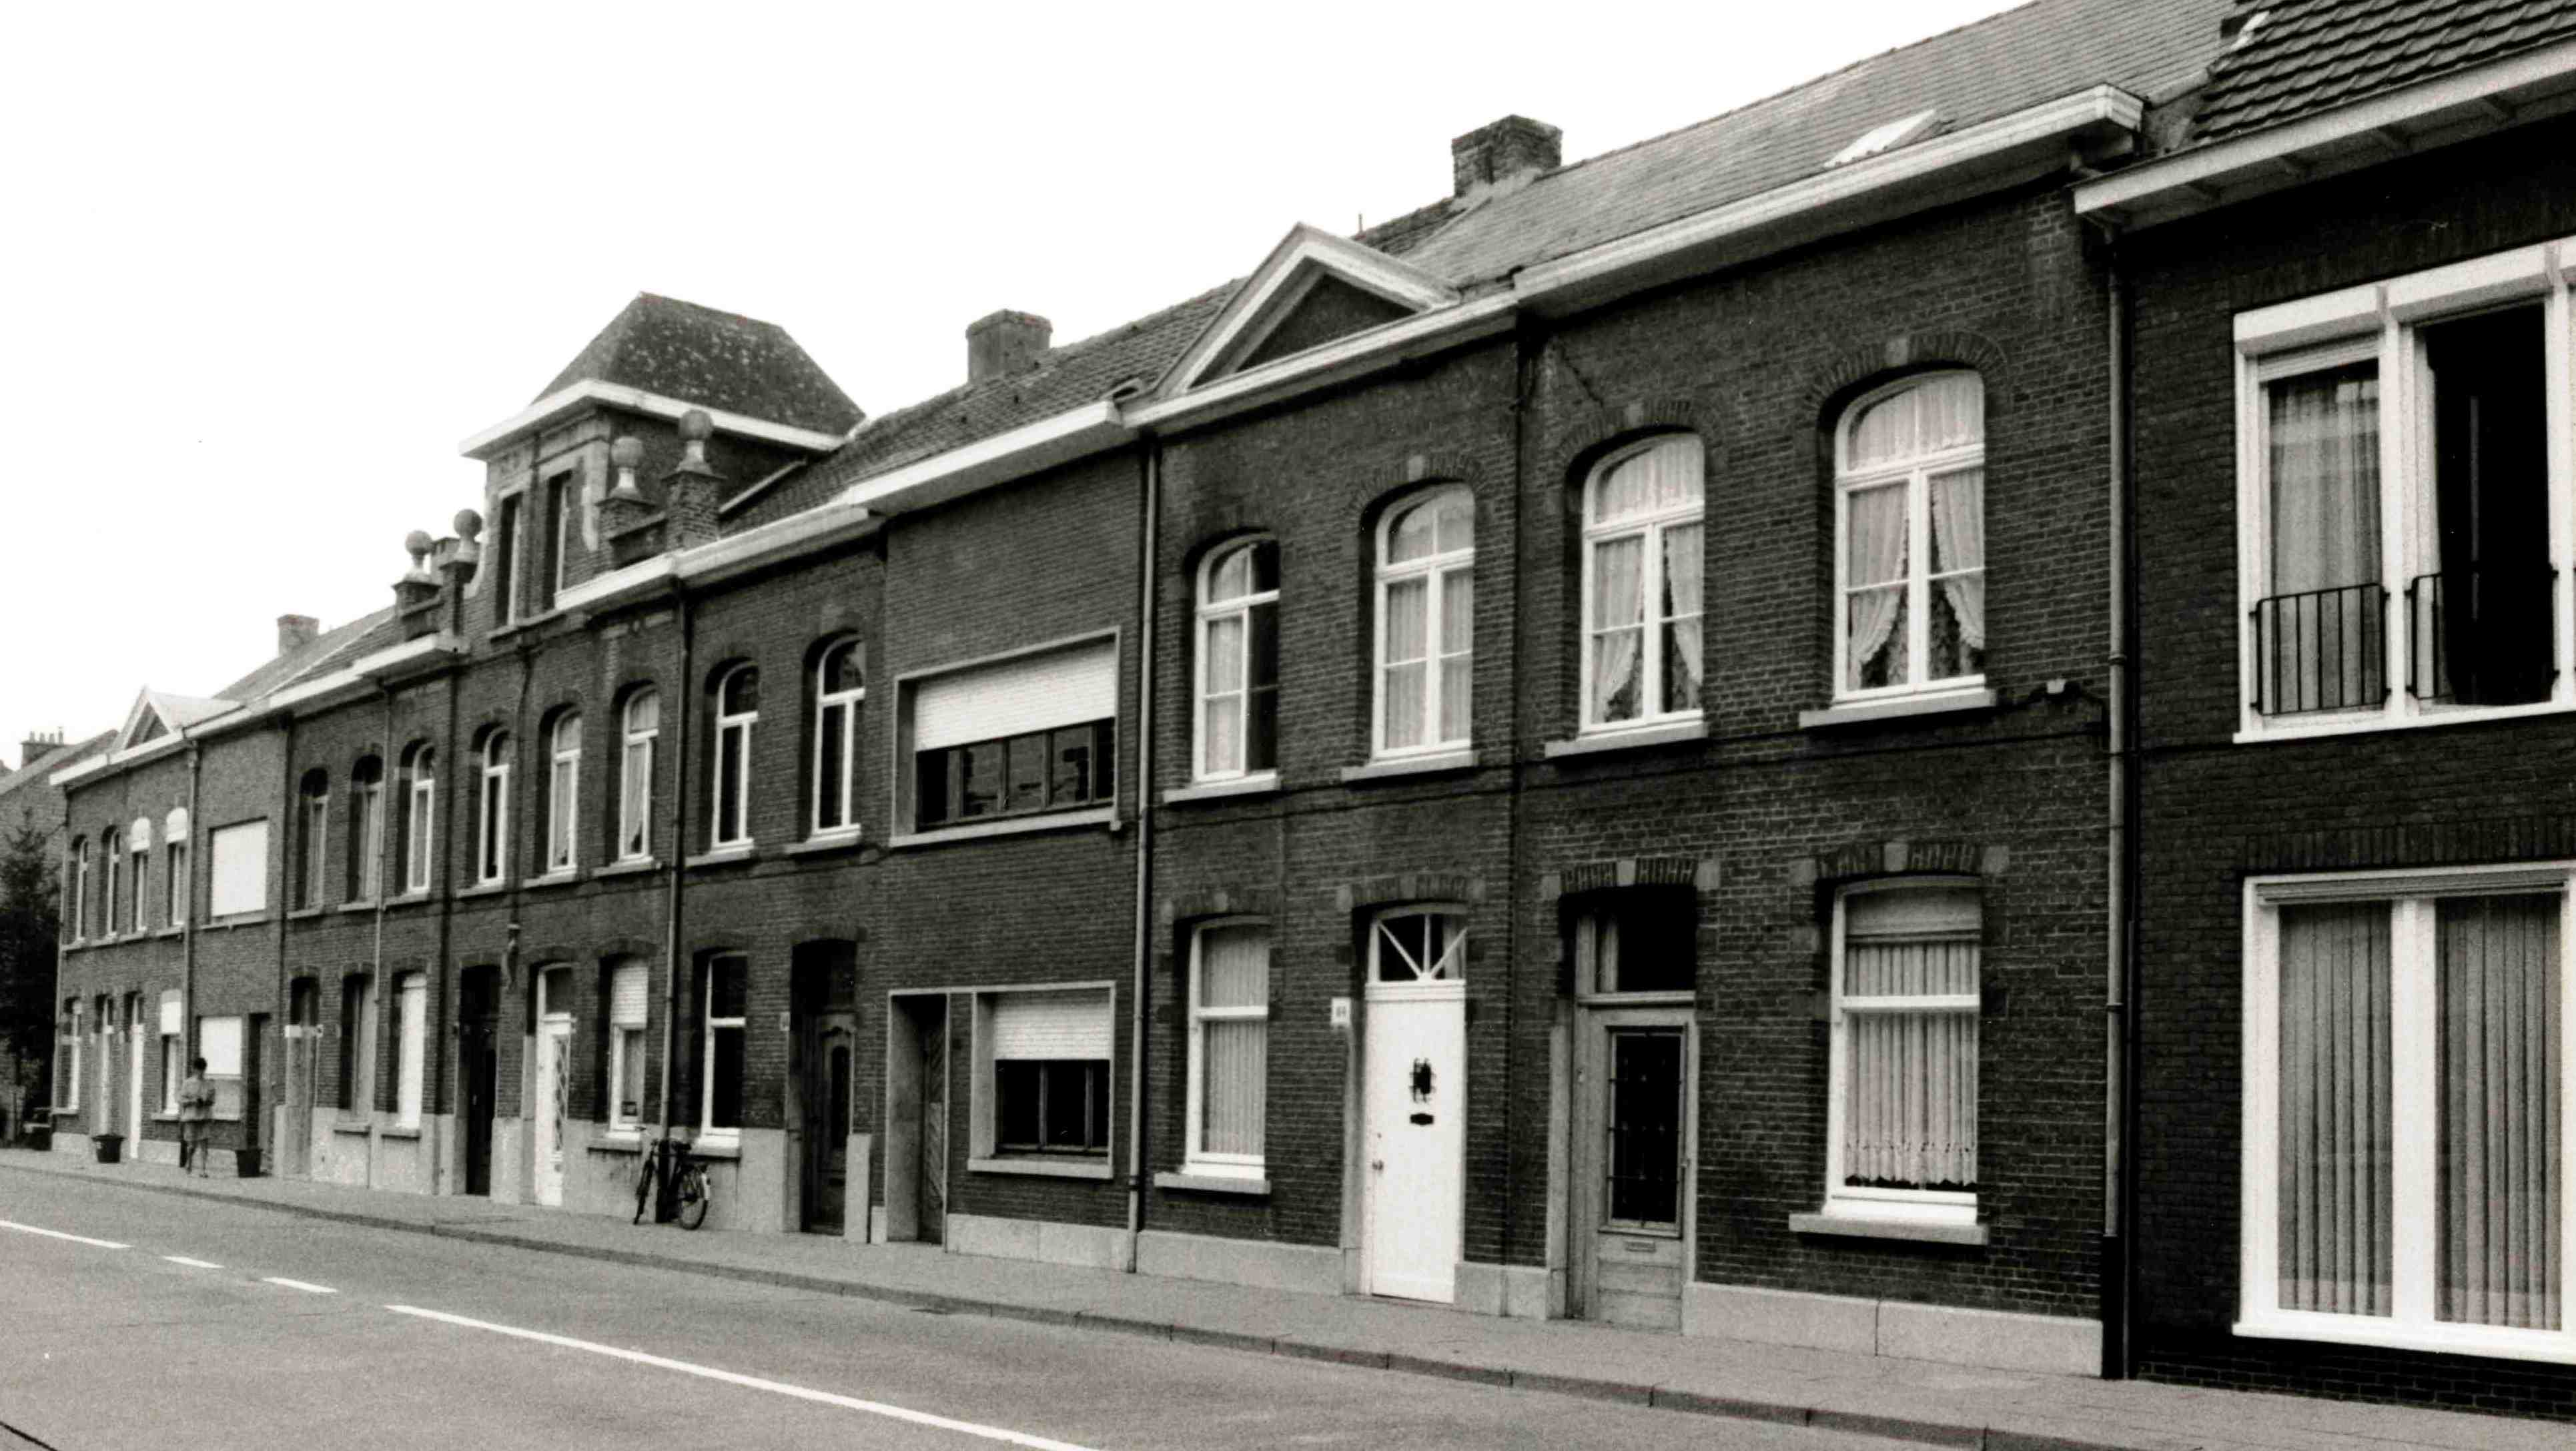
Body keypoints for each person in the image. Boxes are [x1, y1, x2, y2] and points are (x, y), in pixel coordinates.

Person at [177, 1058, 213, 1177]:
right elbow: (181, 1099)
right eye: (198, 1070)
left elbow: (212, 1100)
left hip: (205, 1117)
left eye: (202, 1070)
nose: (201, 1073)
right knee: (192, 1145)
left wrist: (206, 1102)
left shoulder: (209, 1084)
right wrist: (193, 1101)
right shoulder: (187, 1083)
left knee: (204, 1144)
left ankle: (203, 1170)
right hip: (191, 1117)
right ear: (194, 1070)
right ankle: (189, 1162)